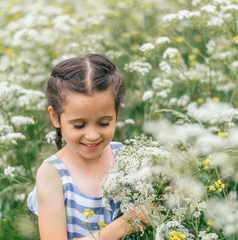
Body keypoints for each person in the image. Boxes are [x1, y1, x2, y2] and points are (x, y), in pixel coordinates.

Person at [27, 53, 148, 240]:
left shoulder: (126, 157)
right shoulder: (52, 174)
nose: (92, 136)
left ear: (117, 113)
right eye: (79, 125)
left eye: (104, 123)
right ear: (55, 117)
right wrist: (127, 223)